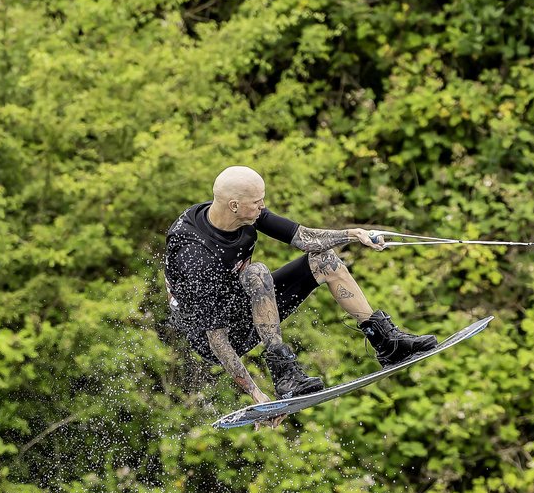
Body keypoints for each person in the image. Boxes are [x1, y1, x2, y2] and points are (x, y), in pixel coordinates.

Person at [162, 165, 437, 406]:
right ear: (234, 205)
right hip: (214, 337)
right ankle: (285, 376)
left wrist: (353, 235)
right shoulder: (193, 253)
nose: (262, 206)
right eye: (257, 201)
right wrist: (257, 395)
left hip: (248, 309)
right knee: (255, 273)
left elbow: (305, 238)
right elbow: (217, 340)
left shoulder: (247, 215)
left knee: (324, 260)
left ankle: (386, 343)